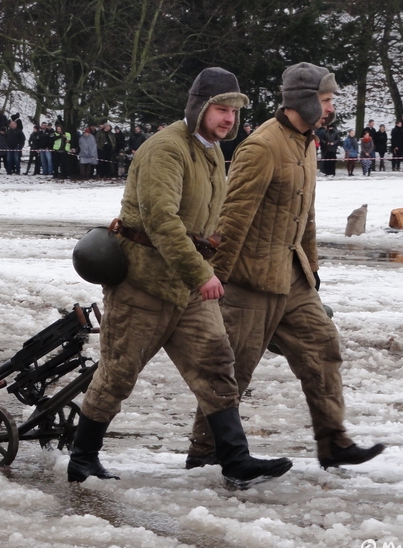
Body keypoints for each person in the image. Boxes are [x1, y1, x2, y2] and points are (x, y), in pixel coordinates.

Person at [67, 67, 293, 490]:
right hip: (144, 284)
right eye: (221, 109)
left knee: (216, 364)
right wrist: (201, 273)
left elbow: (208, 219)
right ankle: (82, 458)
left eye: (234, 111)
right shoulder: (166, 149)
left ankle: (235, 460)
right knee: (118, 373)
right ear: (200, 108)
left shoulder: (211, 151)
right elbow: (161, 222)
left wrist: (214, 258)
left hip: (187, 289)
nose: (229, 118)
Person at [183, 62, 384, 471]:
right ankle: (204, 453)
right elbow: (233, 218)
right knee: (234, 372)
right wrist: (215, 277)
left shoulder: (306, 144)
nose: (330, 108)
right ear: (305, 100)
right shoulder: (262, 146)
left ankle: (334, 442)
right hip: (249, 280)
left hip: (292, 277)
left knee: (322, 347)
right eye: (325, 100)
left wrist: (311, 265)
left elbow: (305, 213)